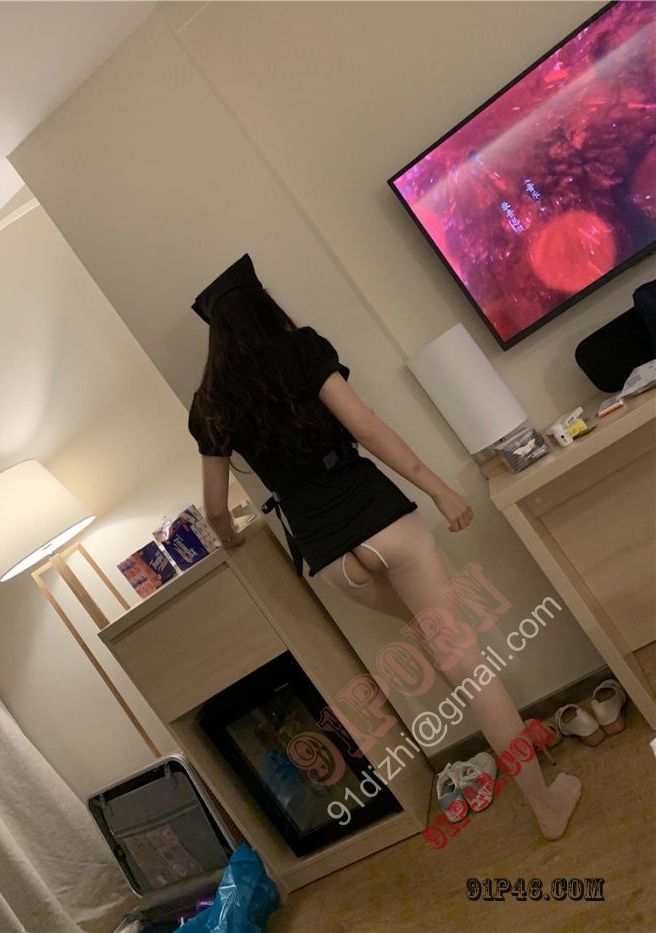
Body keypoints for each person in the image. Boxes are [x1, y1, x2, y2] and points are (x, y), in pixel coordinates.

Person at [187, 253, 581, 841]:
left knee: (441, 650)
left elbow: (217, 510)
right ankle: (545, 807)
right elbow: (367, 430)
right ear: (263, 307)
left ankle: (518, 757)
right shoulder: (301, 350)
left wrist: (232, 539)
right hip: (384, 521)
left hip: (331, 558)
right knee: (467, 663)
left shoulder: (209, 403)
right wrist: (440, 490)